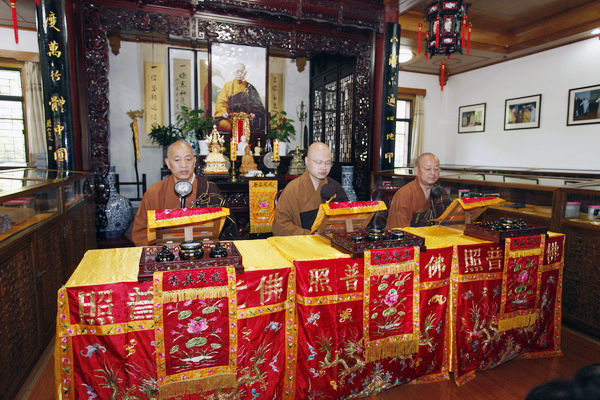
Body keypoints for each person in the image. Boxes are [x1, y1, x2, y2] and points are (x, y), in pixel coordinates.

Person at [131, 140, 225, 246]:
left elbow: (225, 230)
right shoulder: (155, 192)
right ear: (168, 163)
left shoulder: (209, 190)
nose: (183, 165)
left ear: (194, 162)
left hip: (203, 254)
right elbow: (141, 233)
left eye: (188, 159)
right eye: (177, 160)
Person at [273, 142, 348, 236]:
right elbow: (280, 227)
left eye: (328, 163)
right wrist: (311, 235)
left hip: (330, 244)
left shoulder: (335, 187)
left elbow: (346, 220)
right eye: (319, 162)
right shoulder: (292, 189)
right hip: (301, 245)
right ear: (307, 161)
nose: (324, 167)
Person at [386, 152, 451, 229]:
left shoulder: (441, 193)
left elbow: (449, 222)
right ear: (416, 170)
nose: (433, 173)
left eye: (436, 169)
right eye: (428, 169)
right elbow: (398, 231)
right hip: (413, 239)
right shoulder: (405, 194)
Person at [214, 63, 266, 137]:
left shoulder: (250, 87)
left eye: (242, 71)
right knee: (223, 125)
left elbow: (257, 104)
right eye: (237, 71)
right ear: (234, 72)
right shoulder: (227, 86)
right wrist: (223, 112)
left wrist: (254, 113)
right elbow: (221, 102)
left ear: (245, 73)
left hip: (247, 119)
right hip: (230, 118)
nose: (240, 74)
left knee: (256, 127)